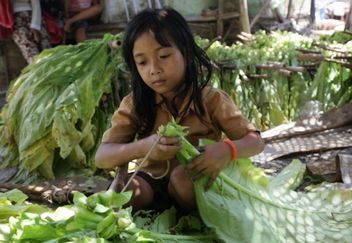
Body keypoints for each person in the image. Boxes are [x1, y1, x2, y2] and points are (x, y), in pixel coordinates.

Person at [95, 8, 264, 212]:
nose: (154, 69)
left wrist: (227, 150)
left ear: (186, 52)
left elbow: (256, 142)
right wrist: (144, 147)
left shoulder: (211, 100)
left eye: (164, 55)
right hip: (150, 179)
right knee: (127, 193)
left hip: (195, 179)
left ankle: (197, 216)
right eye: (142, 62)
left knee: (181, 180)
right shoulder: (134, 104)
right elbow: (102, 157)